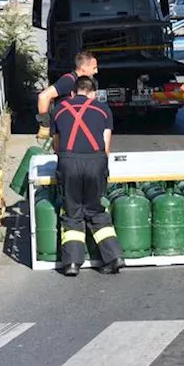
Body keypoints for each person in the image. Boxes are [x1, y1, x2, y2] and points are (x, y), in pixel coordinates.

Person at [51, 75, 124, 276]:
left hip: (69, 162)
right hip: (96, 162)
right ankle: (114, 256)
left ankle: (72, 263)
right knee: (95, 210)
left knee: (73, 211)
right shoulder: (103, 109)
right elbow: (105, 144)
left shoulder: (59, 109)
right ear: (93, 94)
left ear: (73, 92)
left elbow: (57, 145)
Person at [35, 51, 98, 139]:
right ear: (83, 68)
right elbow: (43, 96)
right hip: (64, 129)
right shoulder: (68, 80)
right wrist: (45, 125)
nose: (96, 71)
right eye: (94, 68)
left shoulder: (84, 82)